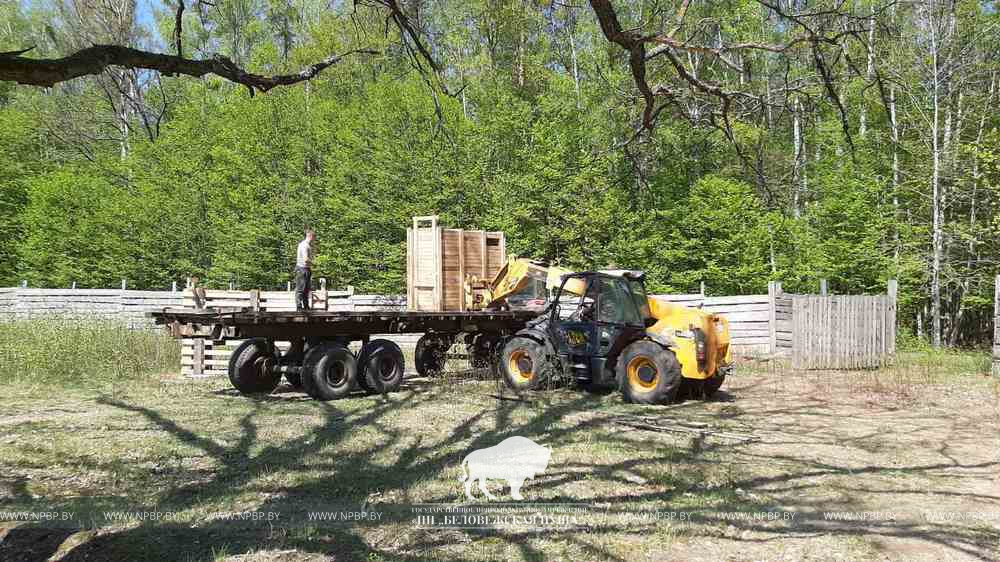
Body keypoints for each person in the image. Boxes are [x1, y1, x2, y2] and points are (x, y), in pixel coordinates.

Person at [295, 228, 316, 310]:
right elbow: (305, 259)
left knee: (306, 290)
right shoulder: (304, 245)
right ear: (311, 236)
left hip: (306, 269)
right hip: (301, 269)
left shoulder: (307, 245)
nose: (314, 240)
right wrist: (314, 263)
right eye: (314, 237)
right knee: (300, 289)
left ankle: (306, 307)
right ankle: (299, 307)